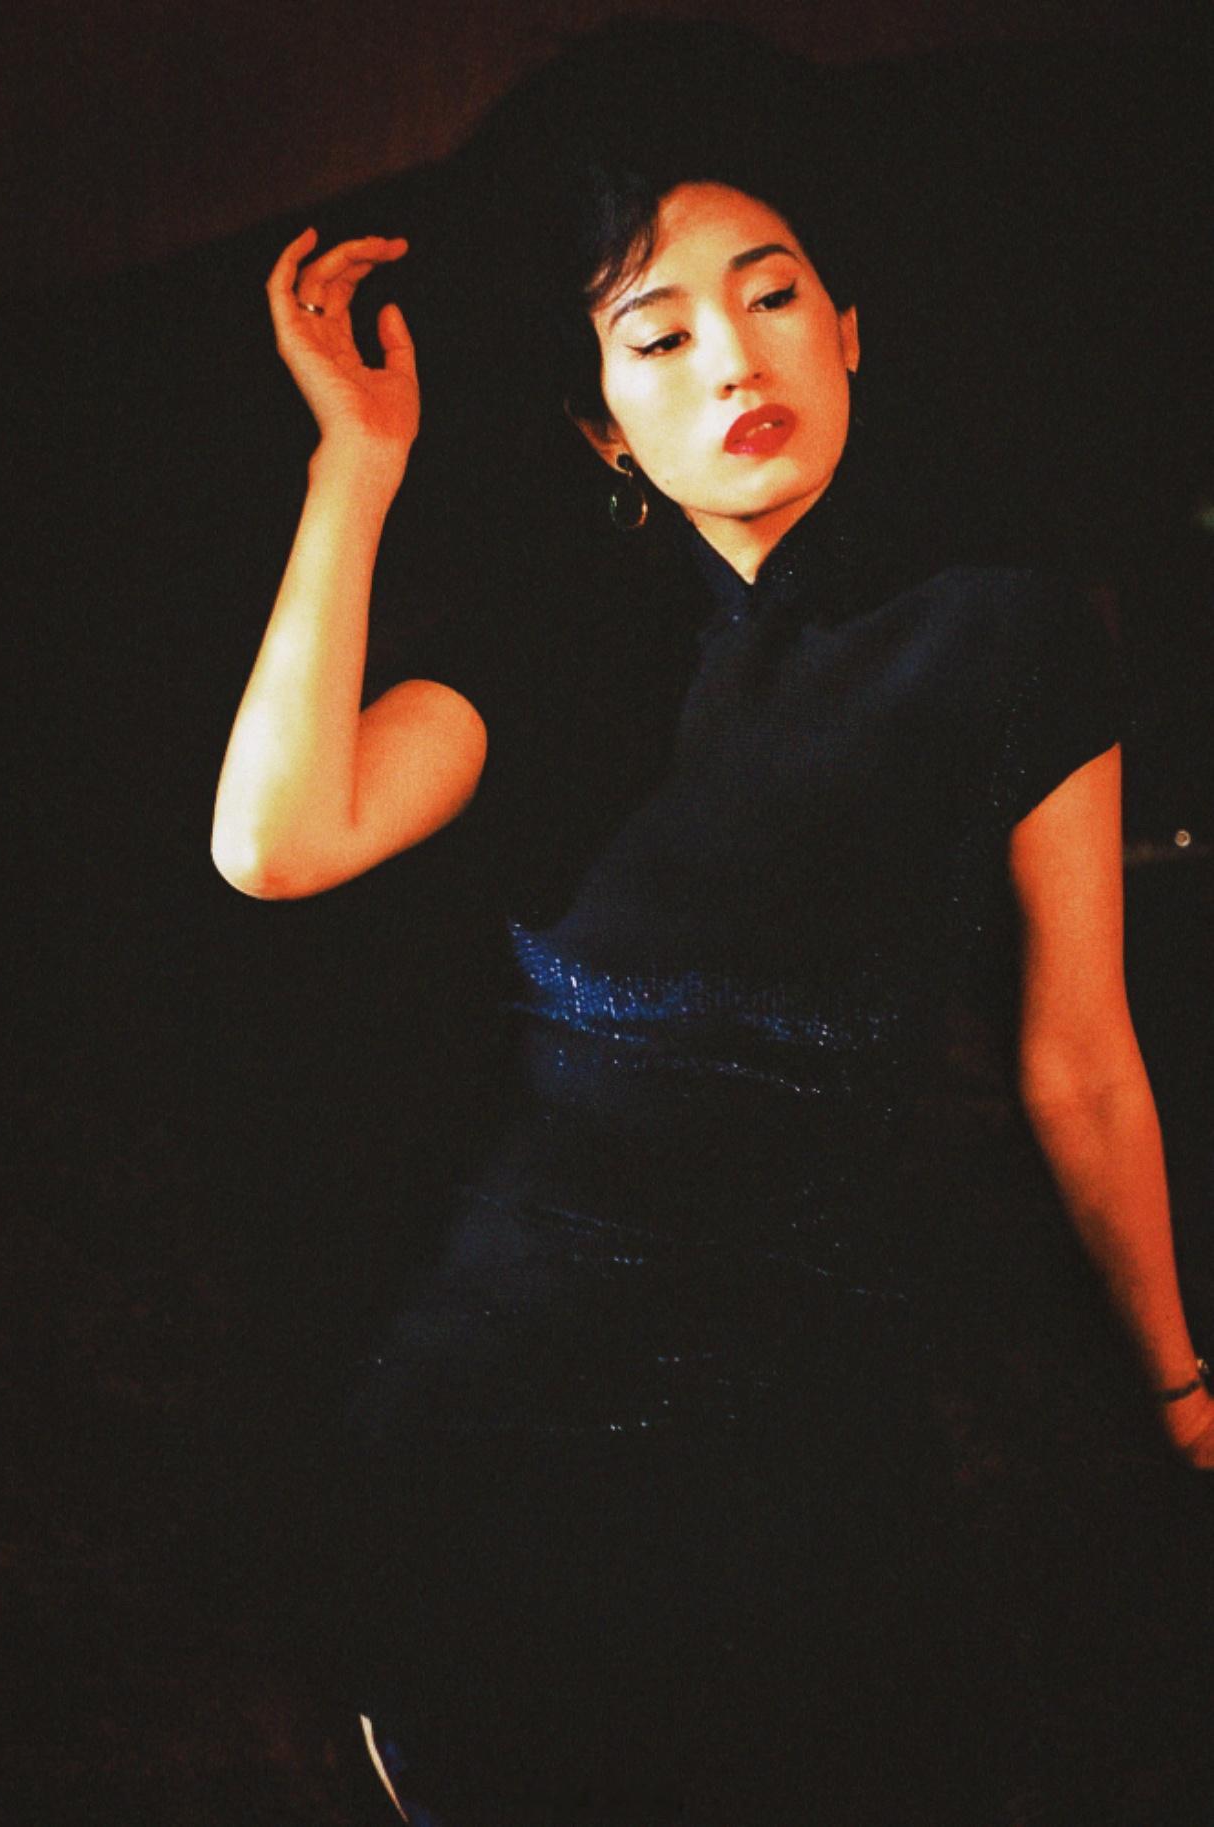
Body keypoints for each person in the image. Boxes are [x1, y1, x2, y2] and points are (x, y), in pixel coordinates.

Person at [212, 25, 1213, 1825]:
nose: (737, 356)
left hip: (818, 1404)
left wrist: (1176, 1379)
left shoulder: (1009, 631)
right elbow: (276, 847)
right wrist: (354, 466)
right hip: (506, 1412)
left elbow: (1079, 1058)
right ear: (603, 422)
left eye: (772, 296)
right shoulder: (561, 648)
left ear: (850, 329)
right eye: (659, 335)